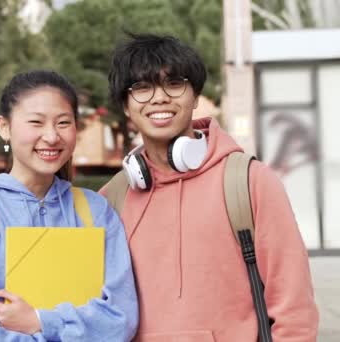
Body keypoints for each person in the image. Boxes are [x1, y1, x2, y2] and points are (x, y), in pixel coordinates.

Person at [100, 33, 319, 341]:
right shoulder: (113, 197)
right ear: (125, 105)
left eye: (174, 84)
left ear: (195, 96)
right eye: (142, 88)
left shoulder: (248, 182)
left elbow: (293, 307)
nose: (159, 97)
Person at [0, 70, 138, 341]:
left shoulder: (95, 210)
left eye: (63, 122)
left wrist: (41, 321)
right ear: (4, 127)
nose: (51, 136)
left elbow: (120, 319)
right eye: (36, 122)